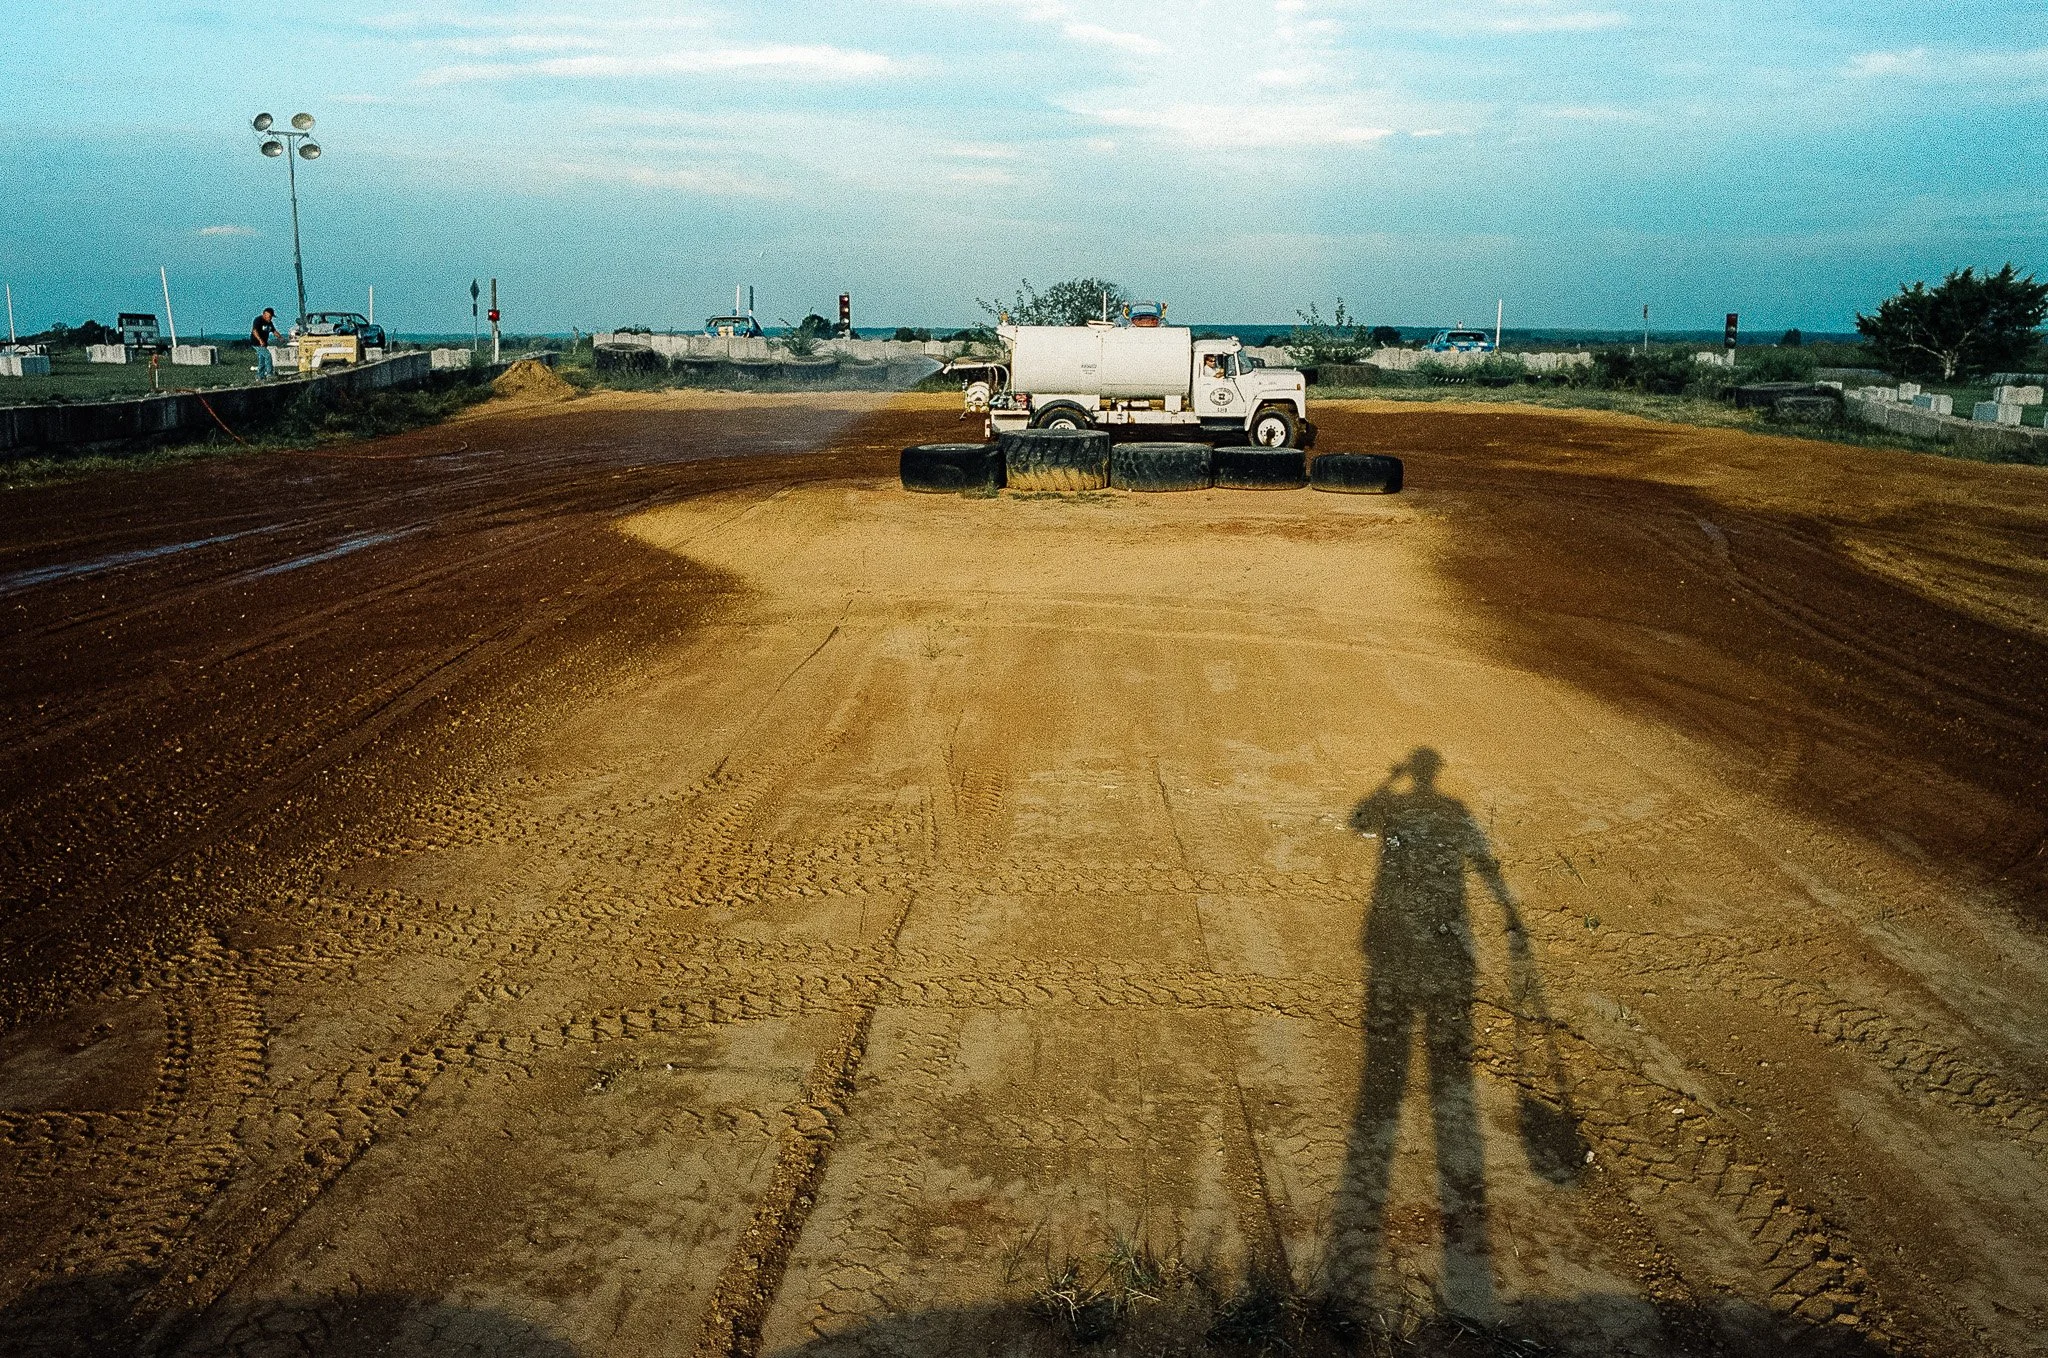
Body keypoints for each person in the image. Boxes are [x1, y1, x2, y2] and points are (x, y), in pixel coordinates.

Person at [250, 308, 278, 378]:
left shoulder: (269, 323)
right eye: (269, 317)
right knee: (268, 356)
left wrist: (280, 338)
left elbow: (274, 331)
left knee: (262, 359)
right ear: (264, 315)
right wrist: (260, 340)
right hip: (257, 343)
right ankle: (269, 374)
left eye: (271, 317)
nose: (270, 318)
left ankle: (260, 376)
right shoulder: (258, 320)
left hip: (264, 344)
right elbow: (254, 331)